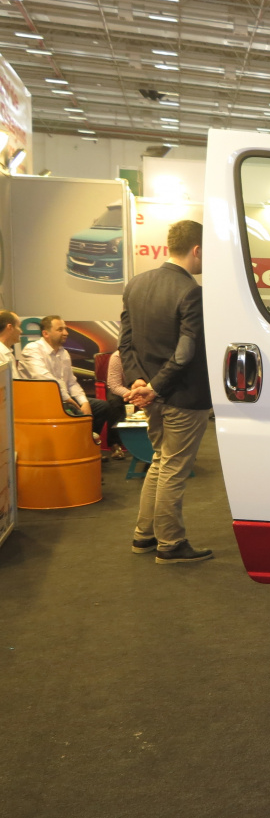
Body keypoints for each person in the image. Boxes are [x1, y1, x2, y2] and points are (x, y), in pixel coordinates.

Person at [119, 219, 213, 564]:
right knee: (173, 469)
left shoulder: (136, 284)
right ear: (197, 250)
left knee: (160, 462)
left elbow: (125, 343)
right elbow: (185, 353)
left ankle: (144, 535)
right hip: (183, 396)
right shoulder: (191, 290)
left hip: (151, 394)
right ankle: (170, 544)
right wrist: (154, 387)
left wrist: (139, 382)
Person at [21, 315, 113, 437]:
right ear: (45, 333)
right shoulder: (32, 349)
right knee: (75, 412)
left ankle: (88, 441)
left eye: (65, 329)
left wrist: (84, 402)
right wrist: (67, 398)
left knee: (102, 407)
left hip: (64, 398)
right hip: (43, 401)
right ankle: (78, 442)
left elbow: (71, 382)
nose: (66, 333)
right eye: (60, 329)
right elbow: (44, 379)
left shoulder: (63, 353)